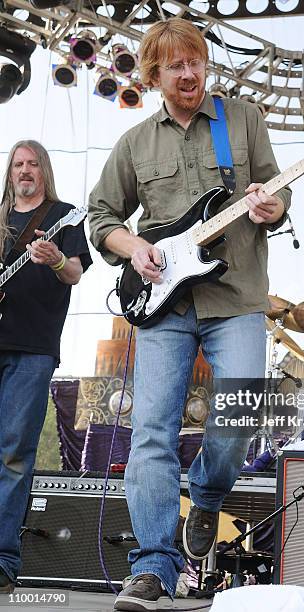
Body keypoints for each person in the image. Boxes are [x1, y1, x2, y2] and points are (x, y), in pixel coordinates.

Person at [88, 17, 291, 611]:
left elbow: (278, 197)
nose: (189, 73)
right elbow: (102, 217)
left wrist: (271, 207)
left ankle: (204, 495)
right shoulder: (135, 143)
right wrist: (137, 247)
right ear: (154, 75)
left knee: (236, 421)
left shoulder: (243, 120)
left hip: (238, 299)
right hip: (162, 303)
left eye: (196, 61)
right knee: (151, 434)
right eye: (175, 65)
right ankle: (153, 567)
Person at [0, 140, 92, 593]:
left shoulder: (66, 215)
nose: (25, 170)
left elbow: (75, 271)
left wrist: (55, 258)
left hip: (33, 348)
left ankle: (1, 560)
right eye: (18, 164)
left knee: (14, 453)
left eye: (33, 163)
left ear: (44, 170)